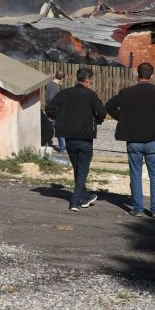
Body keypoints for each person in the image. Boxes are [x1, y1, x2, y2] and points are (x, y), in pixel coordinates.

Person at [106, 63, 155, 218]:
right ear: (152, 76)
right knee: (154, 176)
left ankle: (138, 209)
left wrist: (124, 119)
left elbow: (109, 106)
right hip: (153, 139)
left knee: (135, 175)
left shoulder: (127, 92)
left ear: (137, 75)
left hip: (133, 140)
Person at [45, 67, 107, 212]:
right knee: (83, 169)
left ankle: (84, 197)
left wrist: (60, 120)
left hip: (69, 137)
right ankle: (74, 201)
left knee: (77, 168)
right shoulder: (90, 95)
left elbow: (49, 109)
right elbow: (102, 112)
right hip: (85, 137)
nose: (90, 83)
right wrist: (96, 121)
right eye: (90, 80)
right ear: (87, 80)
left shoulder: (65, 93)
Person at [44, 71, 66, 152]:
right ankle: (62, 149)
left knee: (48, 129)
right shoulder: (55, 87)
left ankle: (45, 144)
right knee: (59, 130)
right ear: (62, 79)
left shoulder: (49, 84)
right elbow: (51, 99)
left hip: (50, 111)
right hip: (54, 112)